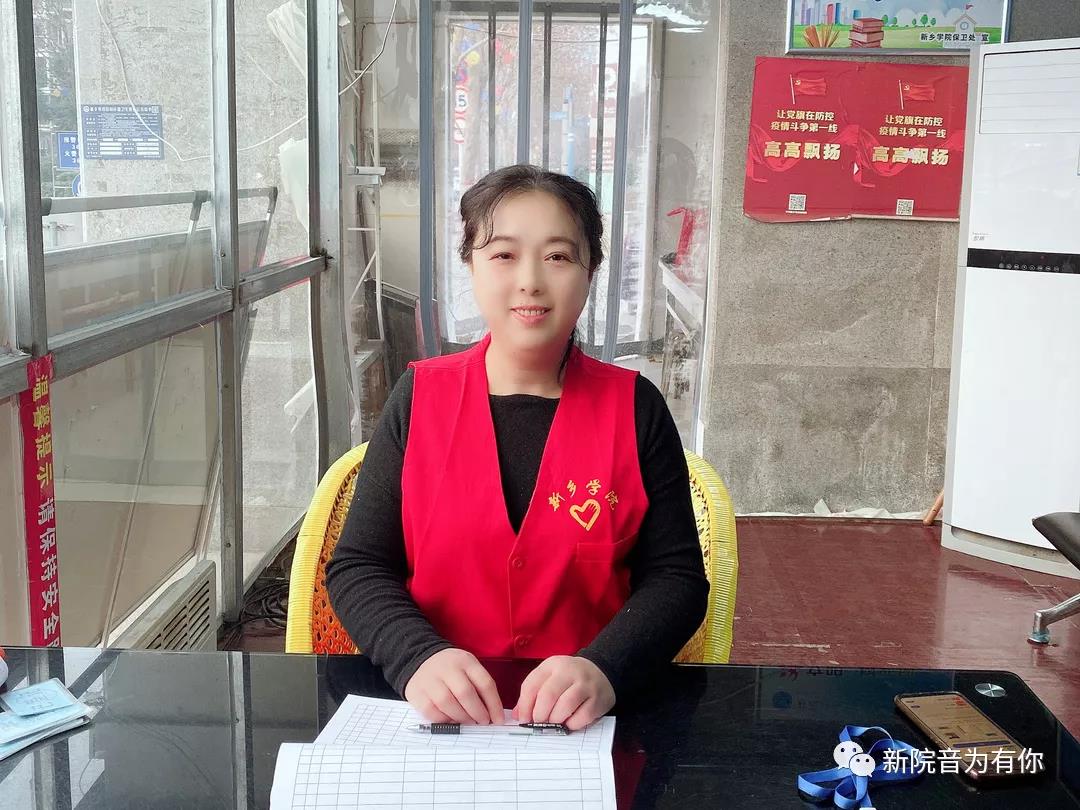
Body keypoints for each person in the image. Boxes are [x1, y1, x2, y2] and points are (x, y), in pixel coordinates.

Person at [327, 164, 707, 731]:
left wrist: (605, 667)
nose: (530, 281)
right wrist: (416, 657)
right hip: (436, 723)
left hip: (585, 729)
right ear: (471, 266)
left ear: (590, 270)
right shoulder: (420, 397)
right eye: (503, 254)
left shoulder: (635, 407)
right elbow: (359, 566)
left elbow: (677, 579)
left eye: (558, 256)